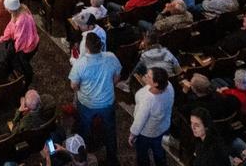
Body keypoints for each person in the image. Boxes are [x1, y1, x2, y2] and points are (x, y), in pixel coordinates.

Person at [68, 32, 122, 164]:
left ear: (86, 48)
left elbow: (73, 86)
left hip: (87, 103)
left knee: (85, 127)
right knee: (110, 130)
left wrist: (82, 89)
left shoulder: (80, 64)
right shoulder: (111, 57)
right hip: (107, 102)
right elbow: (117, 77)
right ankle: (112, 158)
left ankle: (85, 154)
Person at [130, 66, 174, 166]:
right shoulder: (169, 86)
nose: (145, 76)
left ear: (155, 83)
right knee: (159, 151)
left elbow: (139, 120)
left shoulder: (148, 99)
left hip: (147, 132)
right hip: (163, 127)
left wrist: (133, 134)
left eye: (149, 76)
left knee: (142, 155)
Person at [0, 0, 39, 84]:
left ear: (11, 9)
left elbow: (20, 41)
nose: (6, 9)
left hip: (29, 46)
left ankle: (26, 76)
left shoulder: (21, 20)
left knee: (19, 59)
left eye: (7, 8)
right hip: (29, 40)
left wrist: (12, 52)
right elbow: (10, 26)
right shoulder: (21, 9)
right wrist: (3, 38)